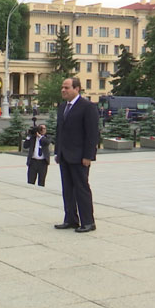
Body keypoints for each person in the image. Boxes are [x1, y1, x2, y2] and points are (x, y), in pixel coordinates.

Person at [54, 77, 98, 233]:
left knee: (81, 189)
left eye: (66, 87)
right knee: (67, 189)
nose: (63, 90)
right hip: (64, 156)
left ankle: (88, 222)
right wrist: (57, 152)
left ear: (77, 88)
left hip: (80, 157)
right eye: (62, 87)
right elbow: (60, 131)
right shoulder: (62, 107)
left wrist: (88, 156)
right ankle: (71, 219)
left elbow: (92, 134)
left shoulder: (87, 107)